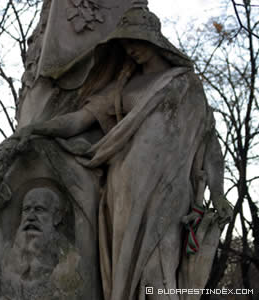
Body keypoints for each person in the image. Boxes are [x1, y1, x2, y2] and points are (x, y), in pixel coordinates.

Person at [15, 4, 232, 300]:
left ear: (153, 39)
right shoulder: (122, 87)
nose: (131, 49)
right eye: (125, 43)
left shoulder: (185, 84)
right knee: (126, 273)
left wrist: (217, 192)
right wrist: (36, 129)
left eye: (135, 41)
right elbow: (79, 120)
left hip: (168, 191)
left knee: (159, 268)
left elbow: (209, 143)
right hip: (124, 190)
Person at [0, 187, 82, 300]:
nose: (30, 217)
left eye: (39, 209)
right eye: (26, 209)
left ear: (57, 217)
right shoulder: (7, 258)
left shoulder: (70, 260)